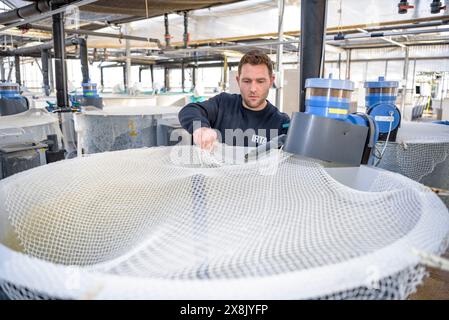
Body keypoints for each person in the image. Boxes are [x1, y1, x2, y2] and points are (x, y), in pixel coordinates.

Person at [178, 50, 290, 150]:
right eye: (247, 81)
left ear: (271, 81)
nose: (253, 89)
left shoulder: (280, 122)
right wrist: (201, 129)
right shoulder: (223, 103)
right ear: (238, 80)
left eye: (260, 81)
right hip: (219, 173)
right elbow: (190, 110)